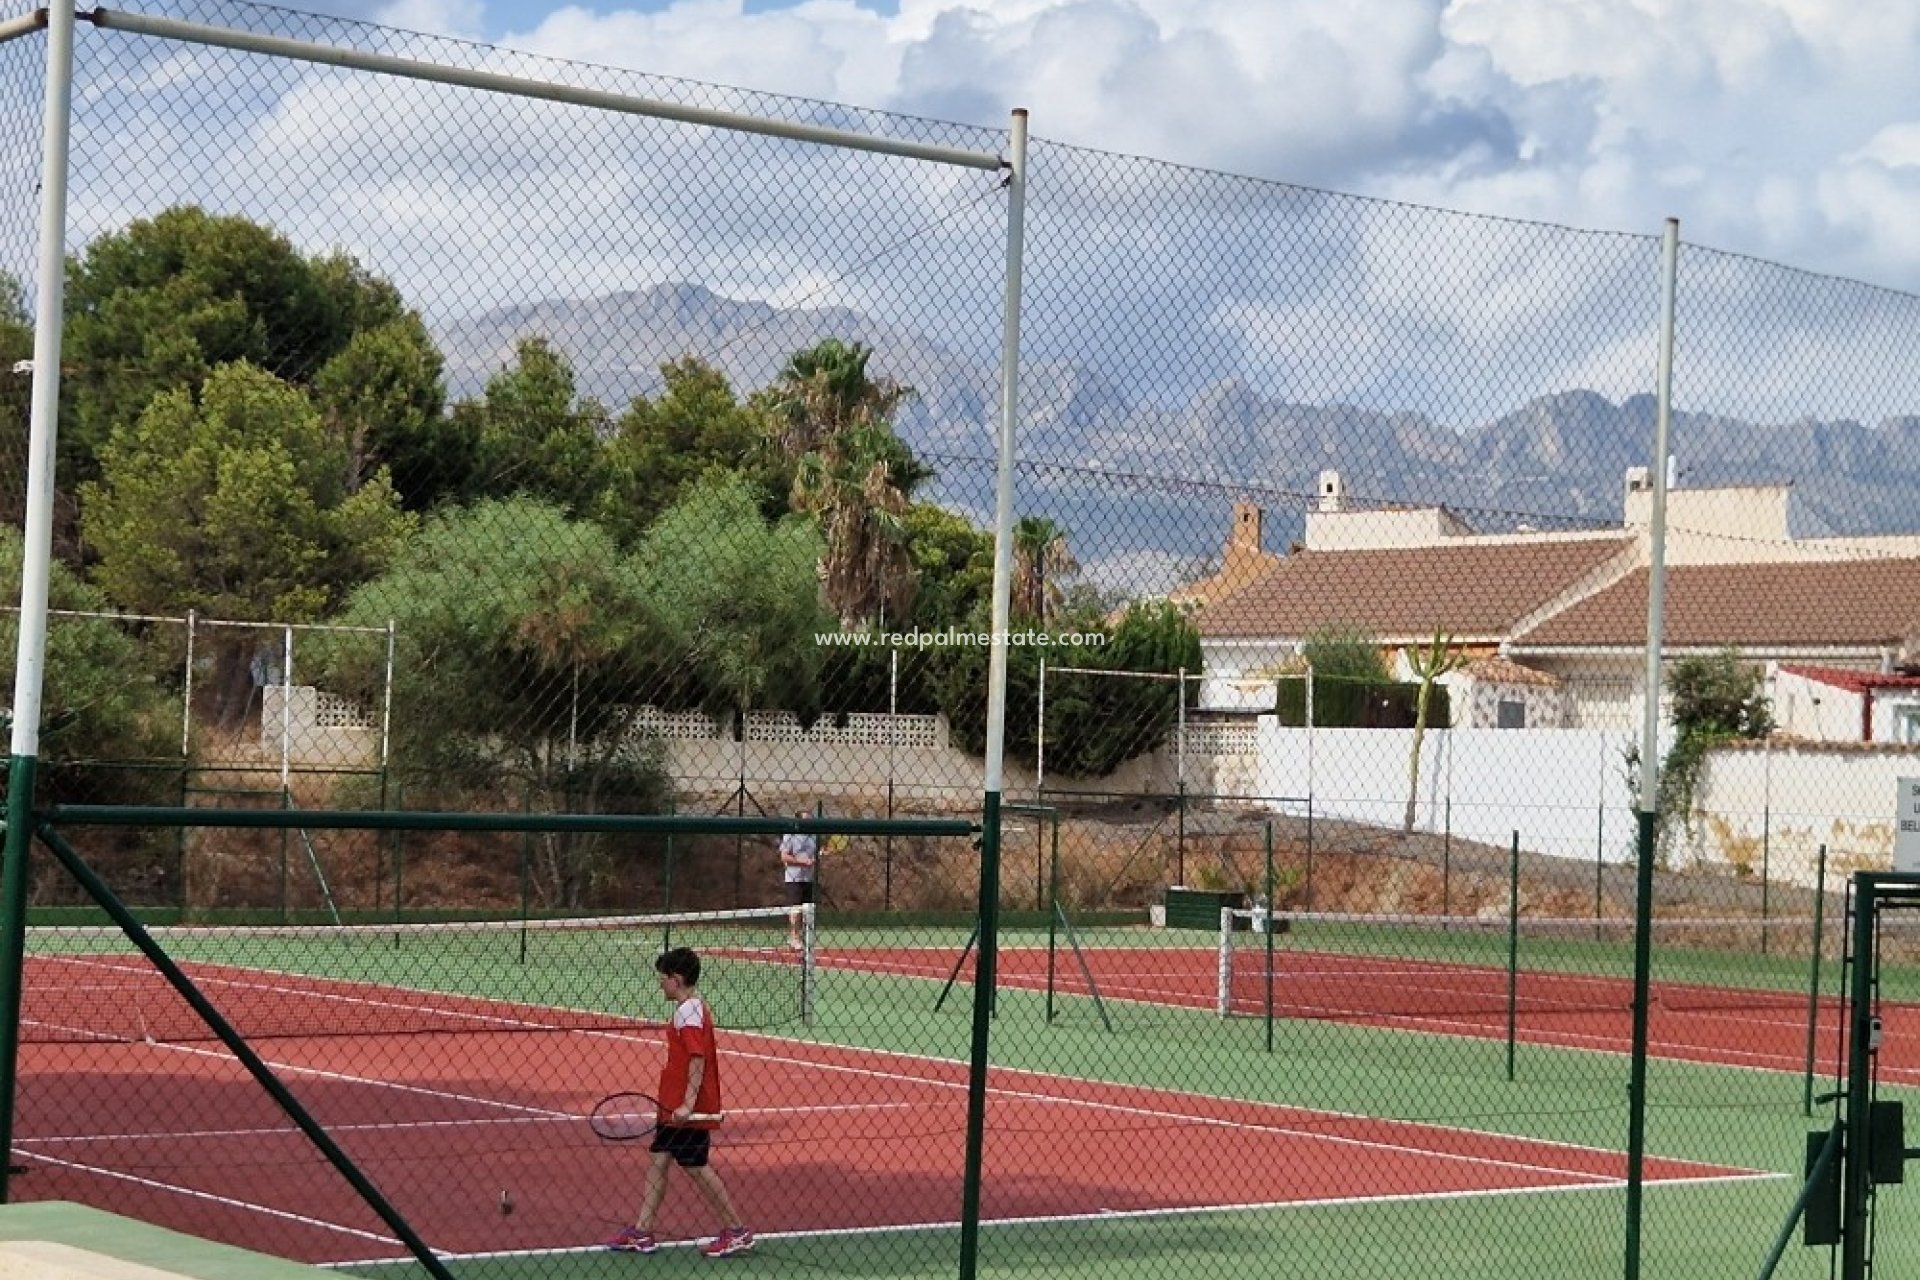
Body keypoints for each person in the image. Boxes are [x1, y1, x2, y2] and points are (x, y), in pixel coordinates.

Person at [604, 948, 754, 1258]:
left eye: (663, 978)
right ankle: (642, 1232)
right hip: (672, 1105)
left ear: (677, 979)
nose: (660, 984)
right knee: (659, 1159)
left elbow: (697, 1058)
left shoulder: (689, 1012)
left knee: (696, 1167)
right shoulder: (687, 1009)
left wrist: (688, 1104)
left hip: (687, 1107)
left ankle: (737, 1231)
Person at [778, 811, 818, 951]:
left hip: (808, 878)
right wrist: (802, 862)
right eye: (806, 820)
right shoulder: (790, 835)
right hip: (793, 878)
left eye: (810, 820)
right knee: (796, 910)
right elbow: (784, 857)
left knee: (808, 911)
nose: (809, 822)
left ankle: (805, 938)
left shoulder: (813, 836)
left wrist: (814, 859)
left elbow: (813, 855)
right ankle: (794, 938)